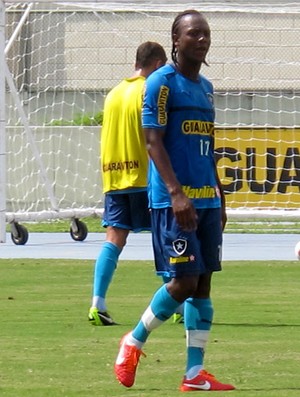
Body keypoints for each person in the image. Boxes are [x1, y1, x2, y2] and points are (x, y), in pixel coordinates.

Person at [114, 10, 235, 391]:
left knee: (203, 286)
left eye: (206, 34)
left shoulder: (207, 88)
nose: (202, 40)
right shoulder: (161, 84)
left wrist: (220, 196)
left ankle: (194, 374)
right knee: (183, 284)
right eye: (193, 34)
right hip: (173, 203)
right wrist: (176, 193)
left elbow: (207, 147)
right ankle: (132, 341)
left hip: (207, 204)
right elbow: (153, 141)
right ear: (176, 39)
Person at [88, 42, 167, 326]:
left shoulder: (113, 94)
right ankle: (177, 305)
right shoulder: (149, 90)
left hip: (114, 176)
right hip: (145, 177)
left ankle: (98, 302)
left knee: (114, 239)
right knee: (165, 236)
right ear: (157, 64)